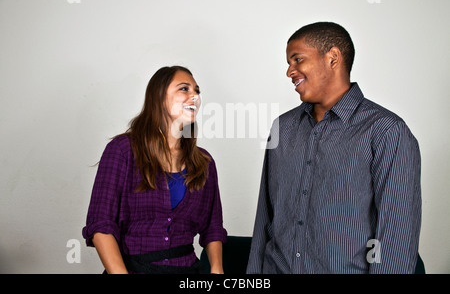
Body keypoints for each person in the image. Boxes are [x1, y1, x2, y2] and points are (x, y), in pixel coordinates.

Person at [246, 22, 421, 274]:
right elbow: (265, 219)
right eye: (289, 63)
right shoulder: (282, 128)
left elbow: (396, 238)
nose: (289, 72)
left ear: (333, 58)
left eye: (297, 60)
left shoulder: (387, 132)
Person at [82, 66, 227, 274]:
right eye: (184, 89)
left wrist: (216, 270)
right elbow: (100, 226)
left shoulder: (204, 162)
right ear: (158, 97)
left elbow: (213, 228)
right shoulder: (123, 150)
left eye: (197, 91)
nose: (194, 95)